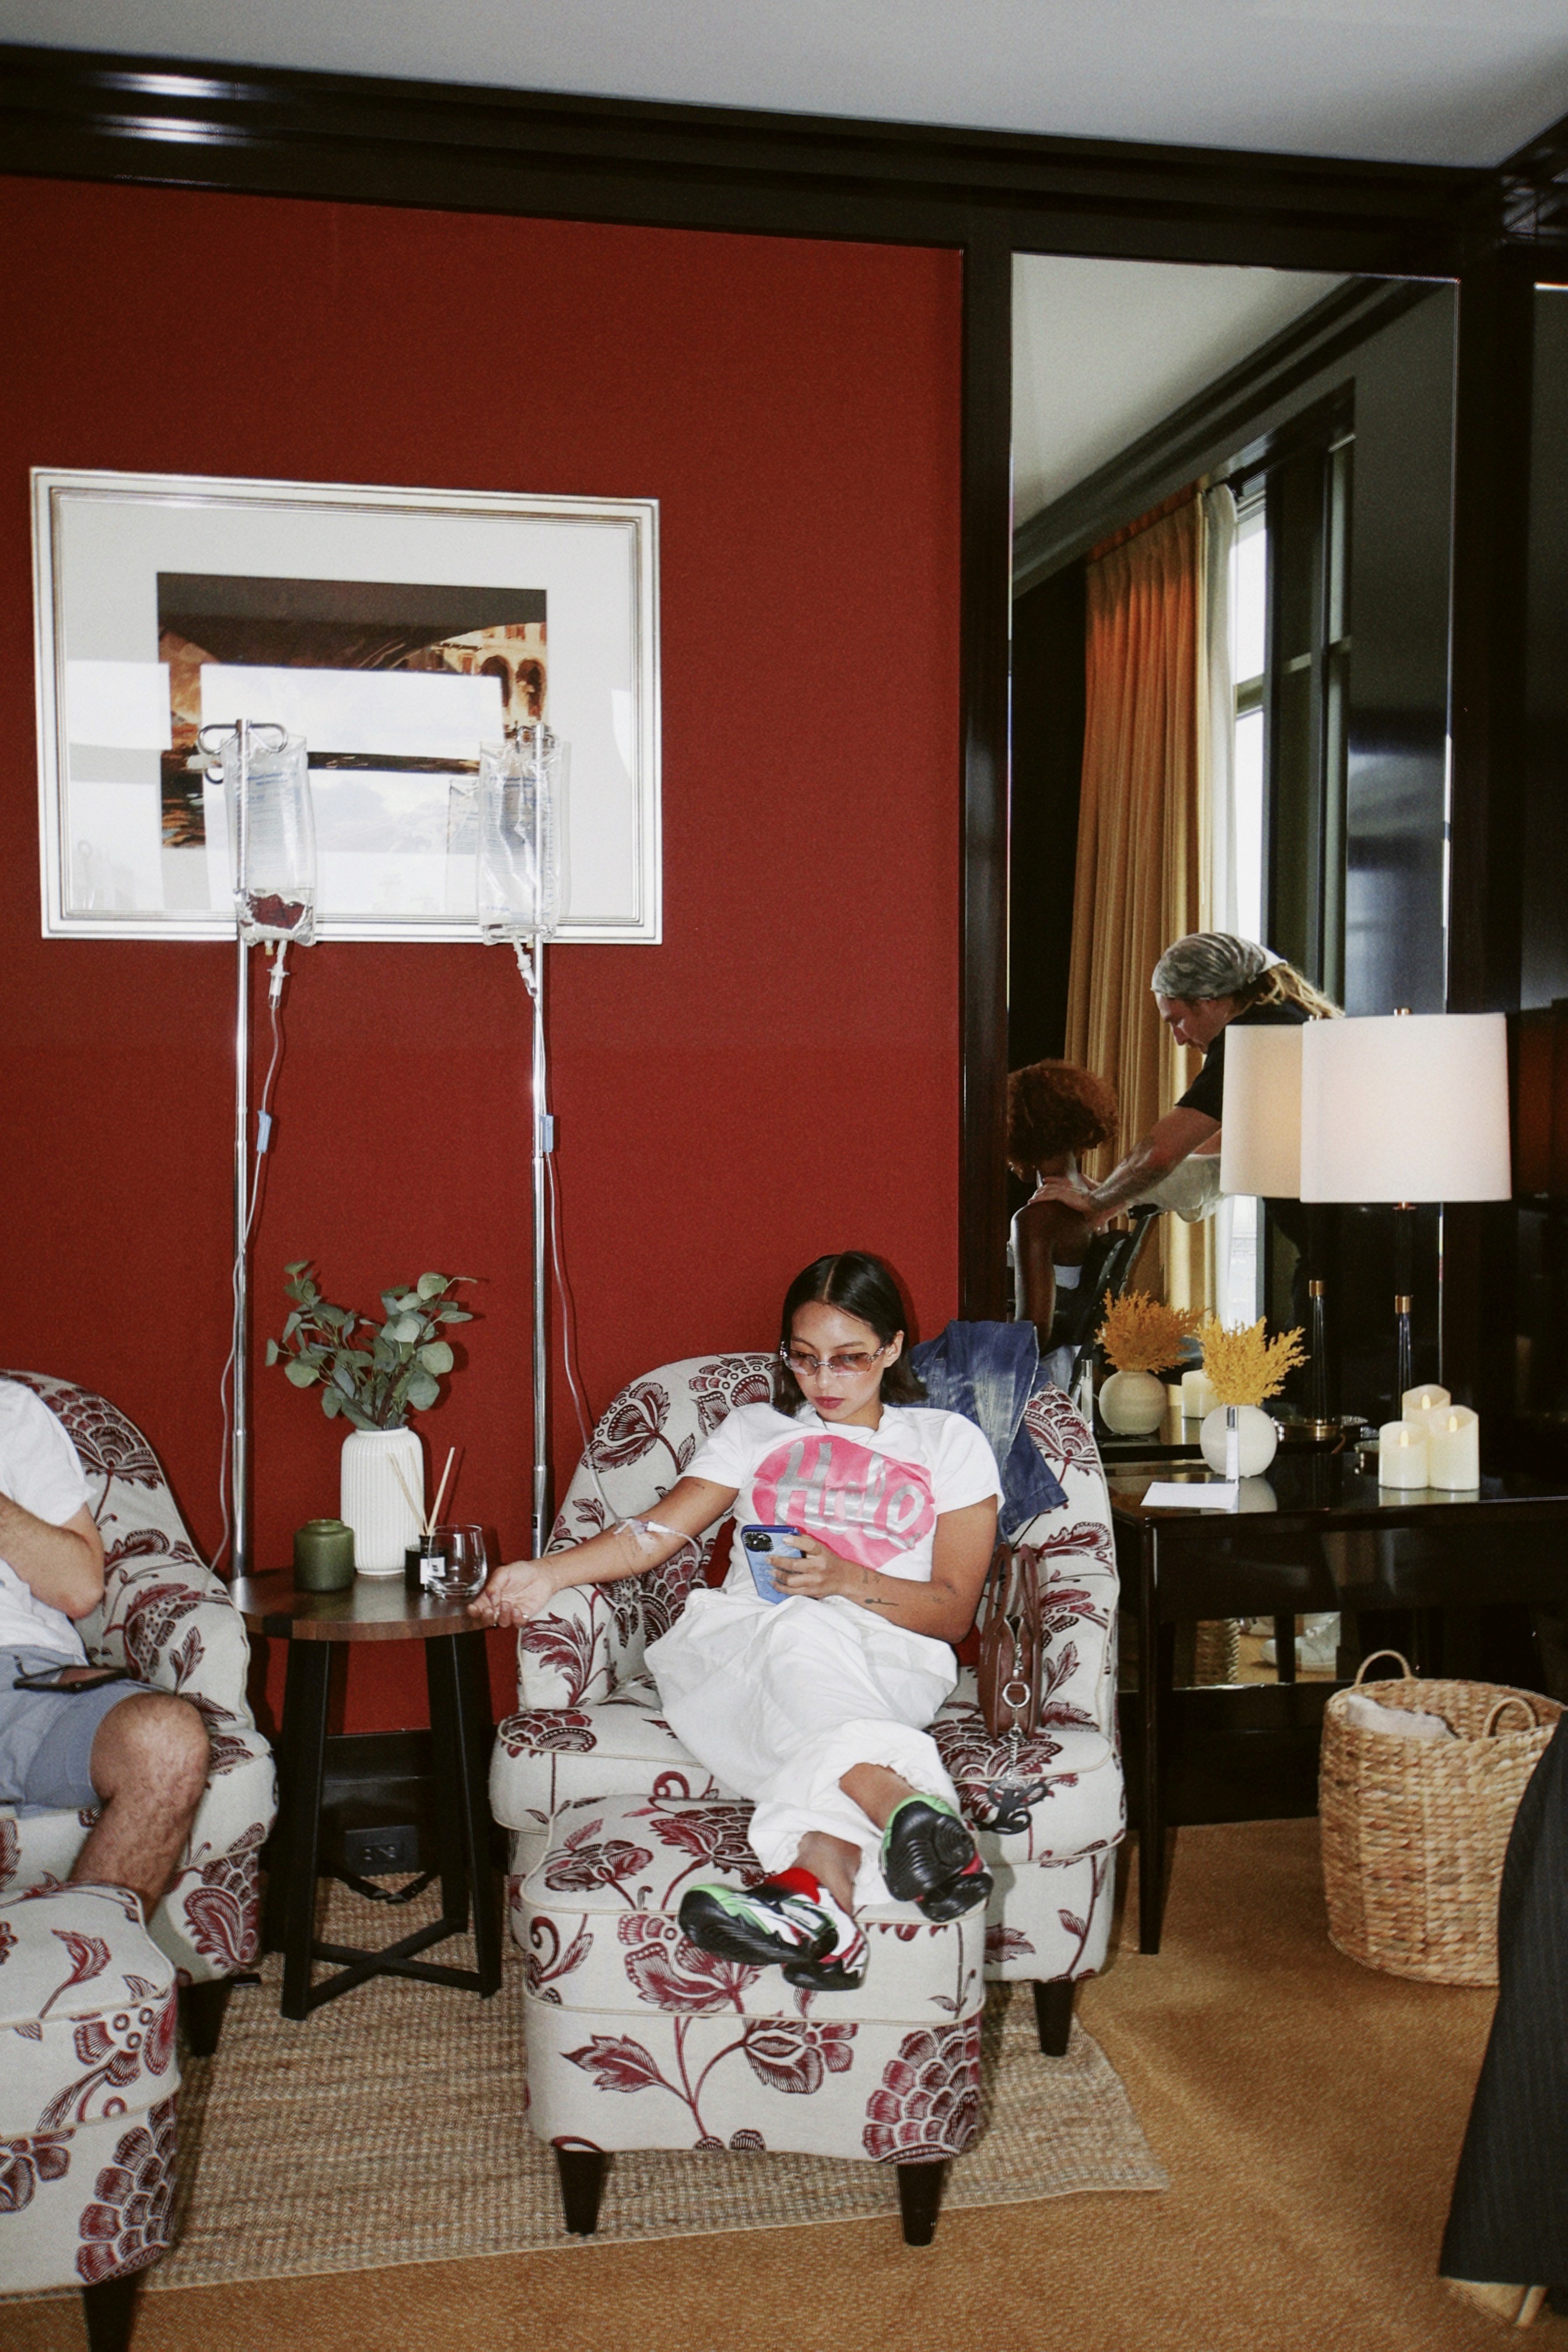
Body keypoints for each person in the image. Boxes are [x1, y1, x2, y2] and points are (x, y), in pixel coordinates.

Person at [474, 1251, 1003, 1990]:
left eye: (850, 1358)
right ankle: (903, 1810)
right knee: (795, 1630)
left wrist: (845, 1580)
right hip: (737, 1644)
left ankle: (818, 1900)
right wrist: (548, 1573)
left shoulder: (947, 1442)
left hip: (888, 1655)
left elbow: (951, 1613)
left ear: (892, 1348)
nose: (824, 1381)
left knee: (809, 1650)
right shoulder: (756, 1428)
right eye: (805, 1358)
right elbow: (656, 1532)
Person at [0, 1379, 211, 1922]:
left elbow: (79, 1589)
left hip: (20, 1680)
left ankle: (87, 1967)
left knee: (165, 1741)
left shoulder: (10, 1412)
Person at [1029, 931, 1339, 1233]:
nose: (1178, 1039)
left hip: (1338, 1243)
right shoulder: (1286, 1021)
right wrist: (1117, 1194)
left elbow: (1161, 1153)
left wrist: (1095, 1201)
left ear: (1210, 1000)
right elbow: (1216, 1153)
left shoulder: (1253, 1039)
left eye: (1178, 1020)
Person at [1006, 1058, 1119, 1352]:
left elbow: (1032, 1336)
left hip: (1040, 1374)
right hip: (1074, 1366)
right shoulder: (1090, 1200)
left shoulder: (1035, 1220)